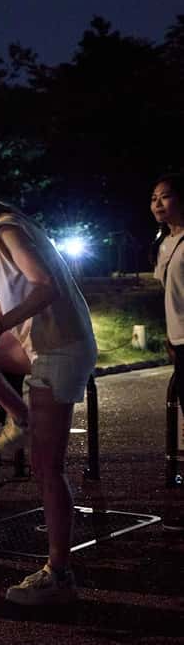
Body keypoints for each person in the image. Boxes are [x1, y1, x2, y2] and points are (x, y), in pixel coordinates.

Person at [0, 173, 98, 606]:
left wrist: (0, 328)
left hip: (58, 348)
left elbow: (45, 285)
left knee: (47, 467)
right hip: (39, 343)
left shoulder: (4, 229)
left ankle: (58, 575)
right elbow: (11, 294)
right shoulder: (8, 228)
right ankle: (20, 416)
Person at [151, 172, 184, 531]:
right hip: (179, 340)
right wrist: (170, 337)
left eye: (165, 196)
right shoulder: (164, 243)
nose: (158, 204)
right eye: (153, 198)